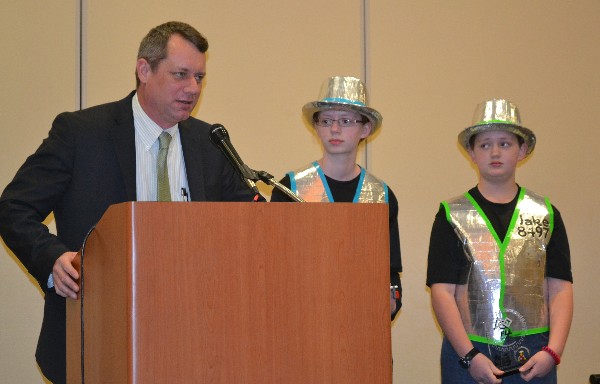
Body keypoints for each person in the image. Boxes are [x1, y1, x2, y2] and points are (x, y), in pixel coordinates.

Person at [0, 21, 261, 383]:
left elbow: (251, 219)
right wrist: (53, 259)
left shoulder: (210, 143)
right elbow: (14, 207)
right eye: (181, 74)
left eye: (199, 77)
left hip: (195, 337)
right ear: (144, 69)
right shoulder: (81, 133)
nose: (193, 88)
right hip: (98, 330)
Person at [426, 99, 573, 383]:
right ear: (471, 152)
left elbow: (560, 289)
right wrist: (468, 356)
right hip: (469, 351)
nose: (494, 152)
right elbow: (442, 292)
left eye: (505, 144)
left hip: (535, 354)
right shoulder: (451, 215)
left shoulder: (546, 214)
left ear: (523, 150)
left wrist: (553, 351)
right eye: (484, 145)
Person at [270, 76, 402, 319]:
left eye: (346, 121)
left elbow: (390, 271)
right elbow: (274, 265)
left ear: (365, 129)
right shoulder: (290, 188)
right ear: (316, 127)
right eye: (326, 120)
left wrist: (392, 301)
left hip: (363, 321)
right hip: (302, 319)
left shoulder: (382, 194)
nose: (334, 129)